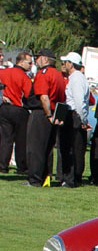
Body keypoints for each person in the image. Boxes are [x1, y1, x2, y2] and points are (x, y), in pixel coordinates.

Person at [25, 47, 65, 187]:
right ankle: (44, 177)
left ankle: (34, 179)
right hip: (55, 112)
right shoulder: (59, 75)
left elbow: (43, 96)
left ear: (45, 59)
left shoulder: (44, 73)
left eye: (38, 57)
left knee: (35, 147)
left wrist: (48, 114)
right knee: (47, 148)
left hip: (42, 113)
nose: (36, 61)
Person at [57, 52, 89, 188]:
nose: (64, 65)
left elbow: (78, 100)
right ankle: (73, 177)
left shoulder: (76, 78)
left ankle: (70, 179)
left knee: (70, 148)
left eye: (66, 62)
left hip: (73, 114)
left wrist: (82, 119)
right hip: (75, 115)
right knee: (74, 148)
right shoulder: (77, 77)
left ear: (71, 63)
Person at [0, 50, 34, 173]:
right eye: (29, 63)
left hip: (4, 108)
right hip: (19, 109)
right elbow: (29, 95)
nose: (31, 66)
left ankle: (2, 165)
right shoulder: (24, 77)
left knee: (5, 138)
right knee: (21, 139)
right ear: (21, 62)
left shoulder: (4, 72)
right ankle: (22, 166)